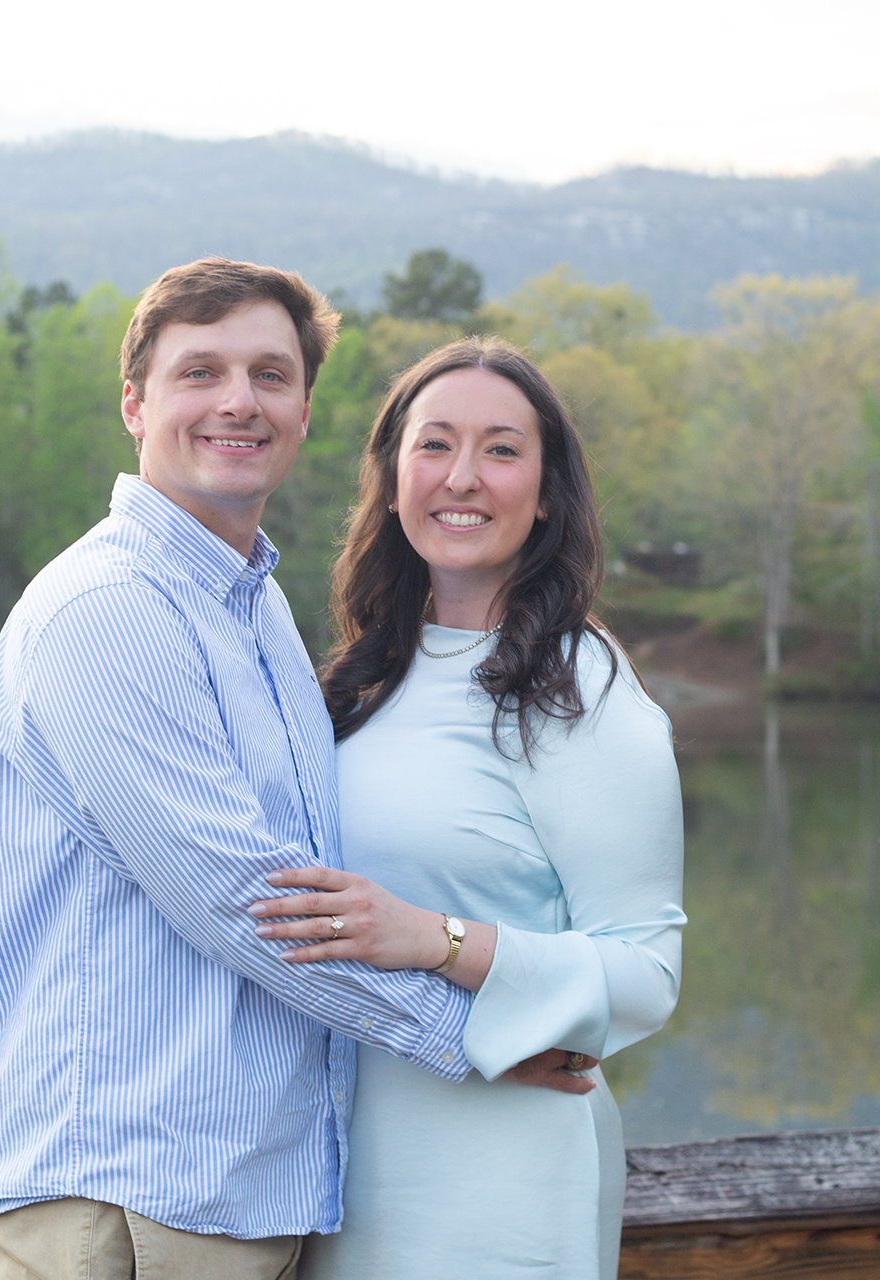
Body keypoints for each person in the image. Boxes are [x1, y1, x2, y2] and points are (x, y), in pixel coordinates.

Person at [0, 261, 587, 1280]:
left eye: (270, 374)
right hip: (123, 1194)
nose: (238, 400)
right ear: (135, 402)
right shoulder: (107, 610)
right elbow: (252, 902)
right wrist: (478, 1032)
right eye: (201, 371)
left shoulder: (258, 615)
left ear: (301, 410)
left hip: (228, 1191)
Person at [247, 337, 686, 1280]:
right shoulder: (360, 680)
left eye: (501, 449)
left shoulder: (580, 687)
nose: (464, 478)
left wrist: (435, 938)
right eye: (435, 445)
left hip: (503, 1183)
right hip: (344, 1173)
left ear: (546, 488)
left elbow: (647, 975)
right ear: (393, 479)